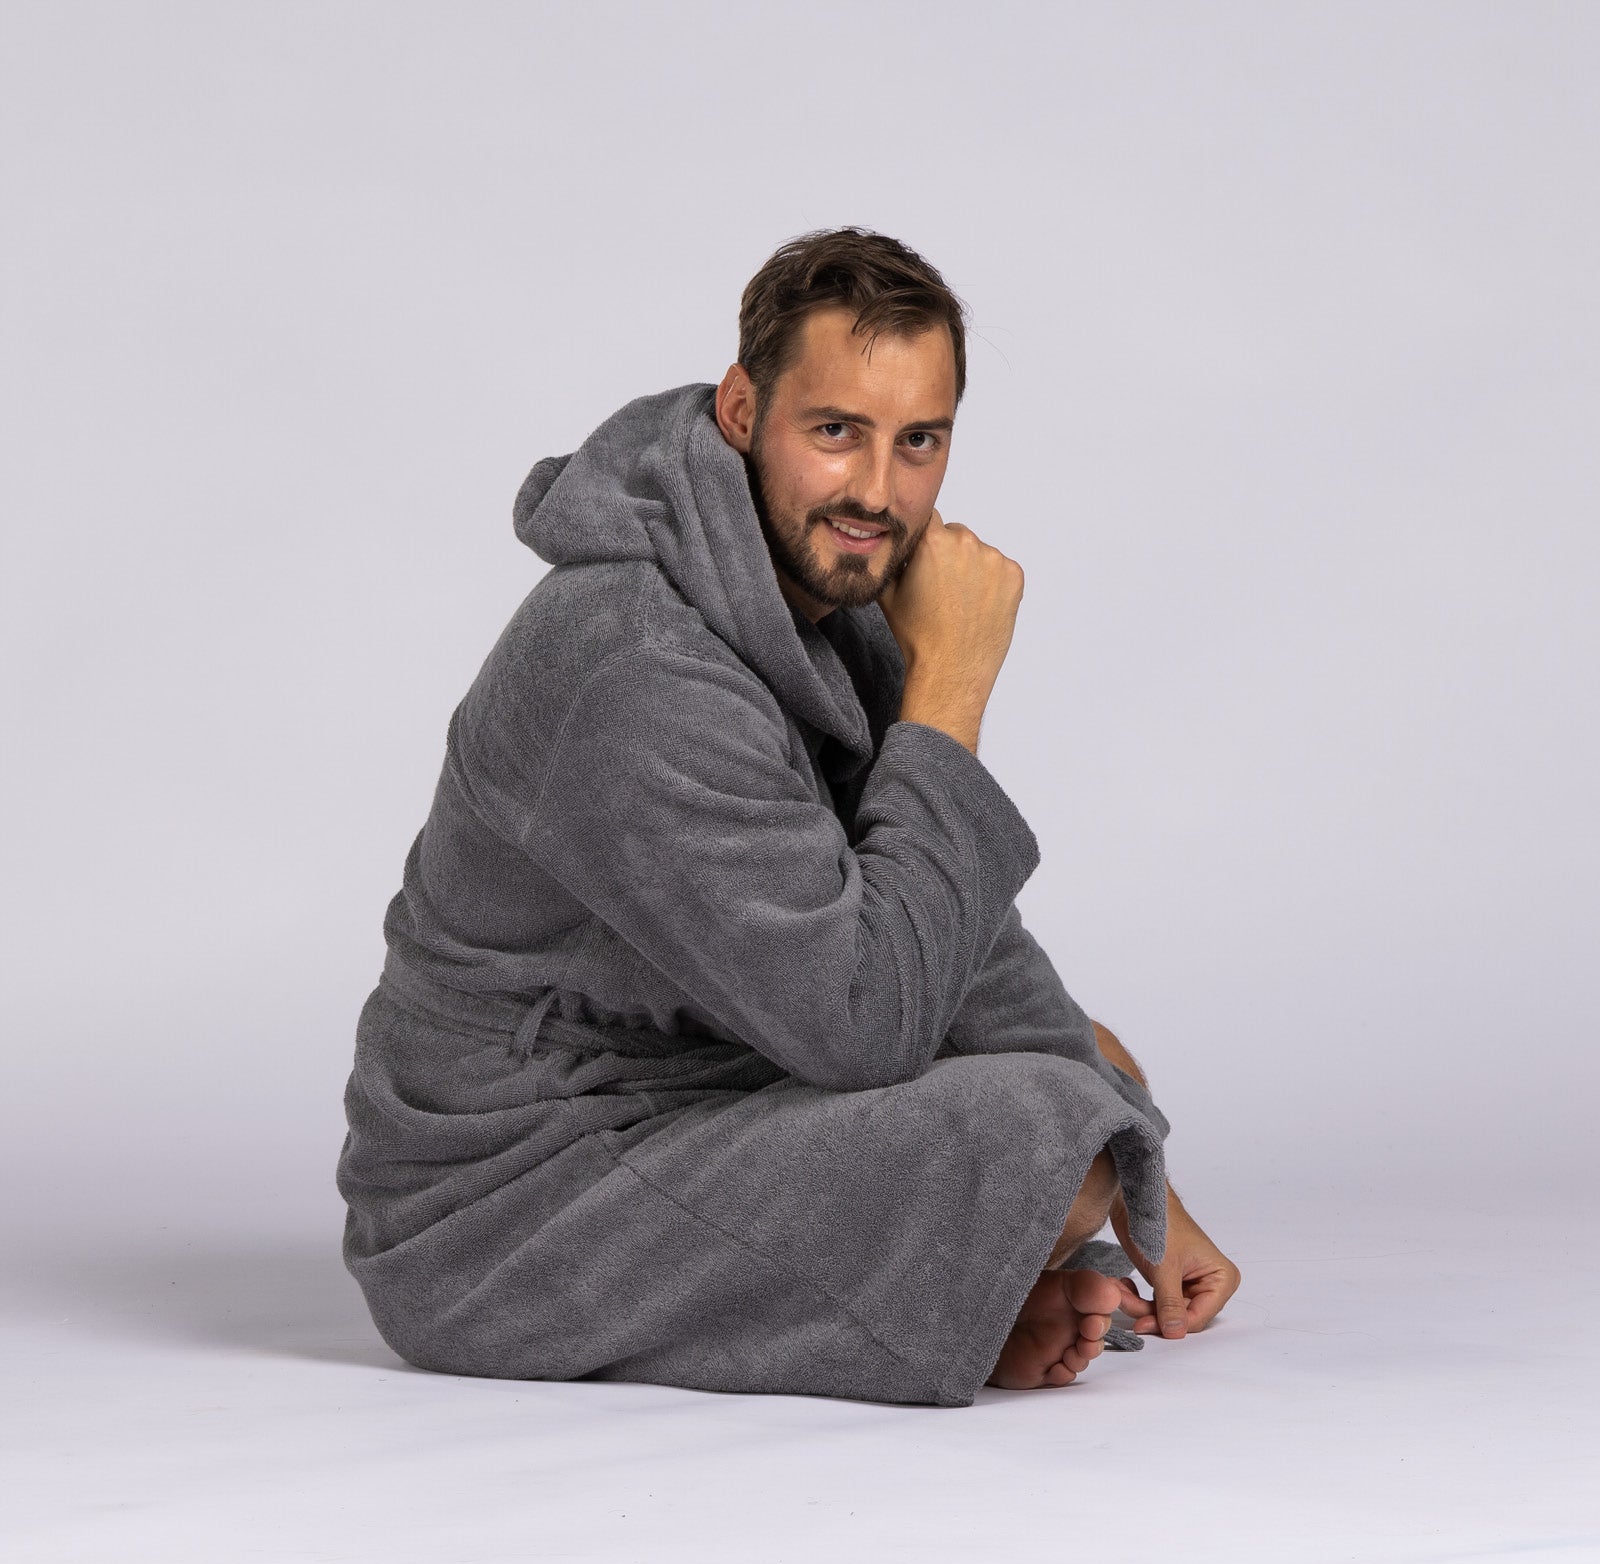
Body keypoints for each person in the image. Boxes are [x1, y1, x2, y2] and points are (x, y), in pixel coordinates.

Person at [336, 225, 1241, 1406]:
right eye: (835, 432)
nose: (877, 491)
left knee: (1090, 1064)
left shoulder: (814, 596)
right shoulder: (634, 662)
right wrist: (949, 692)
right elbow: (865, 1027)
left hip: (705, 1092)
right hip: (506, 1208)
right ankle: (922, 1305)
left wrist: (1157, 1200)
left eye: (917, 441)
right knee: (1050, 1127)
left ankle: (940, 1303)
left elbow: (964, 950)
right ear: (741, 410)